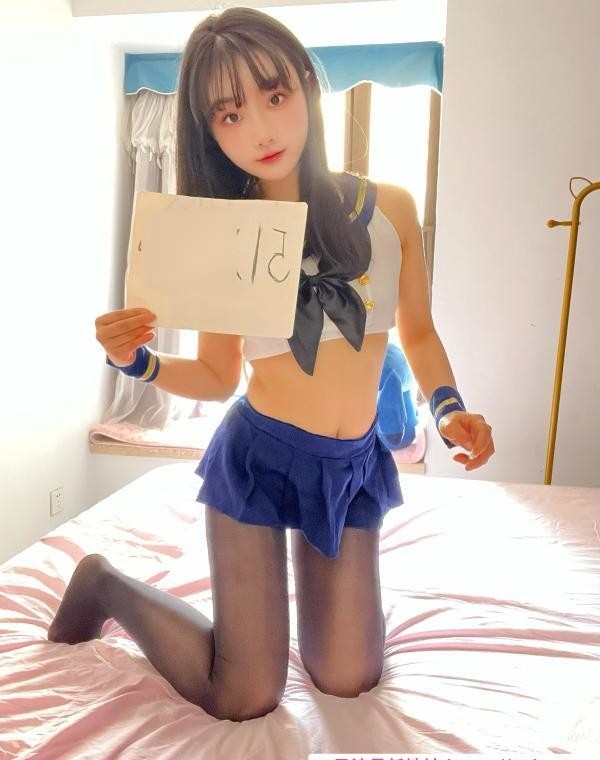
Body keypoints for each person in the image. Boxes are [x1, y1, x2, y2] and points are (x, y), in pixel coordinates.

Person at [47, 6, 494, 722]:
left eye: (275, 96)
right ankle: (104, 583)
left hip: (351, 463)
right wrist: (137, 364)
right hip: (259, 457)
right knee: (245, 694)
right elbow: (219, 377)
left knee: (347, 678)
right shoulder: (229, 233)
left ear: (307, 89)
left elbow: (417, 332)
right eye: (230, 114)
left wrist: (448, 411)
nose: (260, 129)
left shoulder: (392, 210)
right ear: (209, 131)